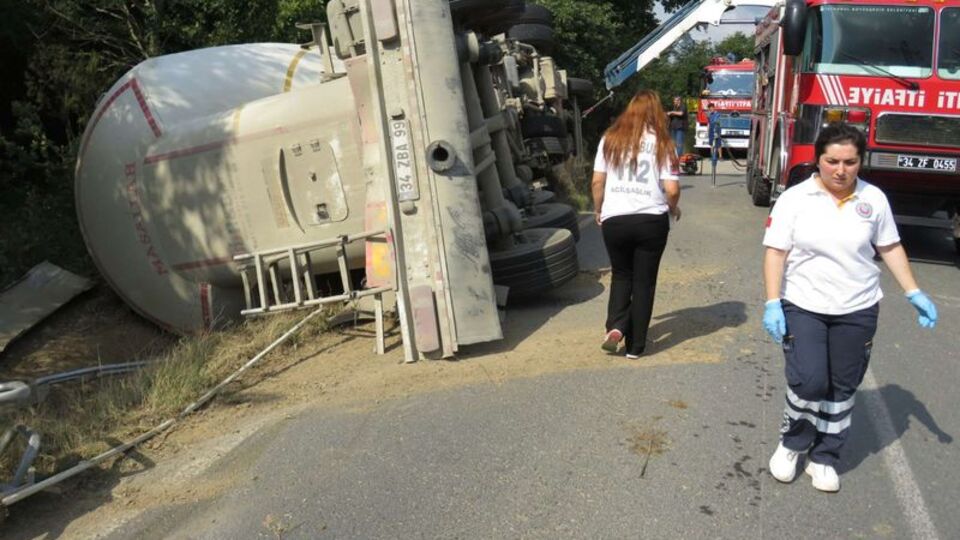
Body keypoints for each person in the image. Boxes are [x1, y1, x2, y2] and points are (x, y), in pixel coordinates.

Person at [762, 123, 939, 492]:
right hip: (804, 304)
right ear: (818, 160)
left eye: (850, 162)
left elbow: (889, 247)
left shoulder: (873, 199)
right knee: (810, 380)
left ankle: (826, 456)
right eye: (832, 161)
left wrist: (913, 292)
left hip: (857, 308)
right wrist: (772, 302)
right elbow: (776, 251)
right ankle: (793, 442)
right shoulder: (795, 198)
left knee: (842, 387)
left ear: (861, 162)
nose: (840, 170)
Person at [592, 90, 681, 359]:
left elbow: (597, 182)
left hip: (614, 219)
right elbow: (672, 189)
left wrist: (599, 210)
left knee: (621, 275)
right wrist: (673, 209)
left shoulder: (609, 139)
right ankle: (636, 346)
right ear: (656, 112)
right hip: (650, 220)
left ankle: (616, 326)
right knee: (644, 282)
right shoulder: (665, 144)